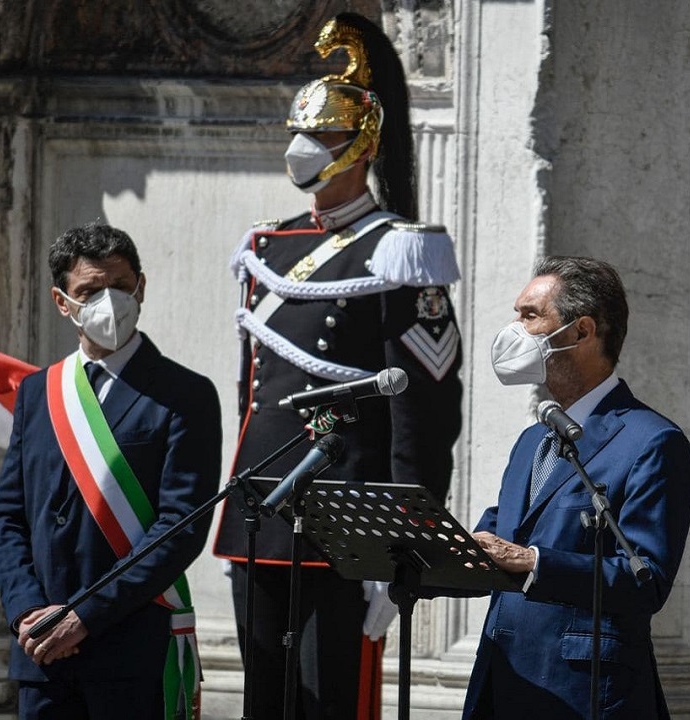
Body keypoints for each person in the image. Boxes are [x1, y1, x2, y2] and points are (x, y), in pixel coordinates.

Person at [212, 12, 463, 720]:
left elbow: (425, 414)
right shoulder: (267, 243)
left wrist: (404, 546)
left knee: (330, 704)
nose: (302, 149)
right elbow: (254, 391)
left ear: (362, 144)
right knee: (267, 701)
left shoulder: (402, 252)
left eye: (321, 137)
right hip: (262, 503)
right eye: (299, 133)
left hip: (348, 519)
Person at [0, 222, 222, 720]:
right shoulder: (38, 392)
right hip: (43, 655)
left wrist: (84, 618)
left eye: (120, 286)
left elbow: (180, 529)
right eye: (91, 291)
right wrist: (30, 612)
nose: (110, 302)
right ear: (62, 301)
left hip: (129, 651)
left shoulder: (186, 394)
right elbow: (7, 518)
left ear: (141, 286)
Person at [467, 256, 690, 719]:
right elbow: (493, 541)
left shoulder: (652, 441)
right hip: (503, 681)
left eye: (530, 315)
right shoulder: (532, 440)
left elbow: (645, 580)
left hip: (583, 693)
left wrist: (534, 561)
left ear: (581, 331)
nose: (515, 328)